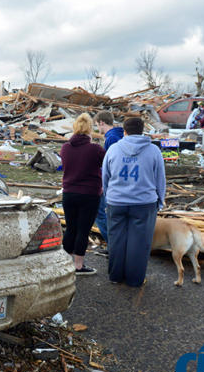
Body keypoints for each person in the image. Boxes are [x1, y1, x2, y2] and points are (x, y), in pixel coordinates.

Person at [102, 117, 166, 287]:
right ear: (143, 130)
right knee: (139, 242)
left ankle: (115, 276)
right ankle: (135, 279)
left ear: (124, 131)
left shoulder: (113, 149)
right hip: (144, 203)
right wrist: (160, 200)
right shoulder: (153, 151)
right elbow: (160, 178)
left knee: (116, 240)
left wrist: (109, 197)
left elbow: (105, 176)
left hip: (116, 201)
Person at [60, 114, 105, 275]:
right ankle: (78, 266)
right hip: (89, 194)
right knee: (83, 230)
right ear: (89, 129)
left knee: (71, 228)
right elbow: (105, 165)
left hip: (69, 193)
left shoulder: (65, 148)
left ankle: (64, 264)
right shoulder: (95, 149)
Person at [94, 111, 124, 241]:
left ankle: (113, 244)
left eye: (97, 125)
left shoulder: (111, 138)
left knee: (101, 213)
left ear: (101, 122)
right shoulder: (120, 134)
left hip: (113, 182)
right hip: (121, 180)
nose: (97, 129)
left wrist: (103, 183)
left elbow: (111, 163)